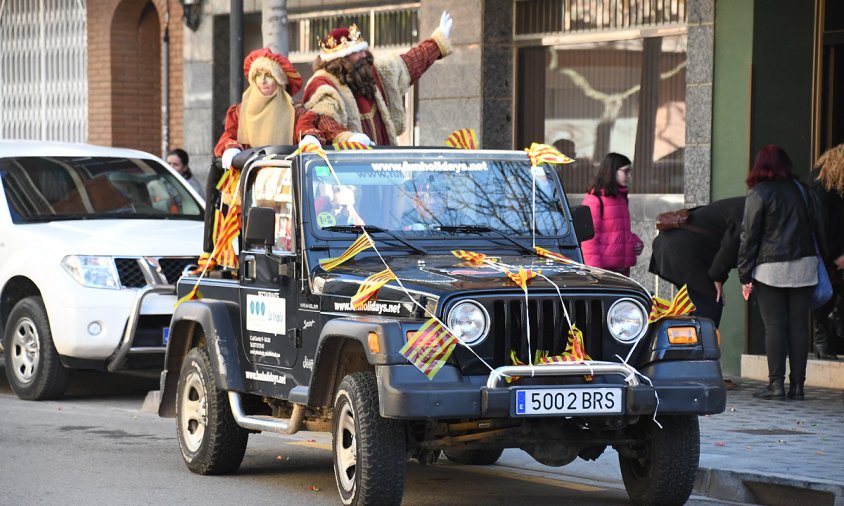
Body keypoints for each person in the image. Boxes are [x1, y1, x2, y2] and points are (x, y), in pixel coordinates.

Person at [738, 144, 825, 400]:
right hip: (805, 265)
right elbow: (821, 228)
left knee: (775, 326)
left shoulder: (759, 193)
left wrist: (744, 275)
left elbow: (749, 236)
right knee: (799, 327)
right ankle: (798, 386)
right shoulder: (805, 192)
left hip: (770, 268)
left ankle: (776, 385)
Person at [295, 12, 453, 146]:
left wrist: (437, 43)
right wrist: (349, 139)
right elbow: (323, 120)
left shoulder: (374, 73)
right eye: (357, 52)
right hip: (347, 172)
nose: (364, 55)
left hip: (385, 167)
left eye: (363, 50)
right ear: (340, 60)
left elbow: (408, 63)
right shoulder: (323, 84)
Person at [649, 197, 745, 328]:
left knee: (703, 308)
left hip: (676, 248)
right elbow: (730, 245)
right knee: (709, 308)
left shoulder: (742, 205)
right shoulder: (747, 211)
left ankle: (690, 345)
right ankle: (695, 347)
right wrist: (717, 277)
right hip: (680, 250)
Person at [214, 48, 303, 169]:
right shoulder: (239, 112)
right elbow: (228, 137)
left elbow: (306, 130)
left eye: (269, 75)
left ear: (279, 80)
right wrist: (232, 148)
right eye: (258, 75)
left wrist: (310, 138)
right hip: (250, 179)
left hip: (286, 177)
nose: (263, 80)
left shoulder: (295, 110)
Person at [580, 153, 644, 275]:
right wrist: (596, 272)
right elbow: (588, 240)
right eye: (626, 171)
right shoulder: (595, 199)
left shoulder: (621, 197)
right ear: (612, 171)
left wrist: (634, 242)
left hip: (622, 270)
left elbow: (617, 231)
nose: (629, 176)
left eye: (630, 171)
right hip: (604, 271)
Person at [811, 143, 844, 360]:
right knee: (824, 293)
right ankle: (822, 338)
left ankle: (824, 337)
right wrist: (835, 253)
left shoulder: (824, 185)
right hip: (826, 250)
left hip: (828, 250)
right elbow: (824, 225)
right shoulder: (825, 190)